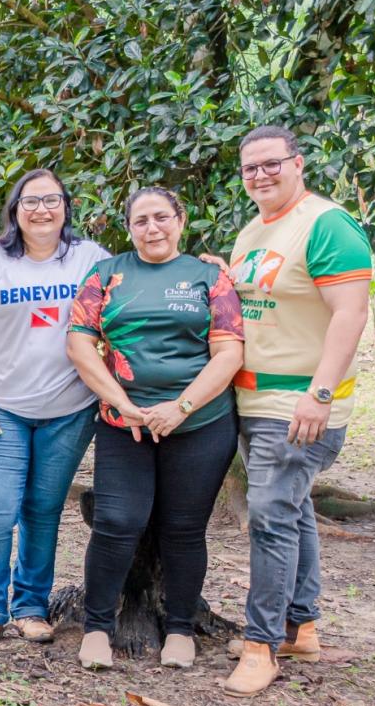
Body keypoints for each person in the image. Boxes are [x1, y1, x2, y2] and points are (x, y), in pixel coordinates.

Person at [220, 126, 371, 697]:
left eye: (271, 163)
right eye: (250, 167)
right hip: (253, 399)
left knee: (269, 516)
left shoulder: (326, 223)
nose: (260, 174)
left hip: (298, 402)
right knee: (292, 508)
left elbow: (350, 313)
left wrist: (321, 393)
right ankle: (300, 627)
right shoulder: (253, 230)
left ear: (298, 163)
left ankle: (260, 646)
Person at [67, 186, 244, 670]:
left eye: (161, 217)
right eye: (141, 220)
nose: (152, 228)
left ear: (180, 220)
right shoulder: (105, 275)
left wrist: (181, 407)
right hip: (123, 424)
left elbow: (229, 351)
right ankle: (97, 628)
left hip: (200, 423)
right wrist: (121, 402)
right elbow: (80, 343)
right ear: (129, 228)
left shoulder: (209, 277)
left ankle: (180, 630)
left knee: (183, 529)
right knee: (116, 523)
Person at [0, 169, 109, 648]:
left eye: (51, 200)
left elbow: (136, 292)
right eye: (30, 201)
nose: (41, 209)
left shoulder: (91, 258)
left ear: (66, 206)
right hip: (1, 409)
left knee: (43, 509)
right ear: (15, 210)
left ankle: (30, 606)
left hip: (70, 409)